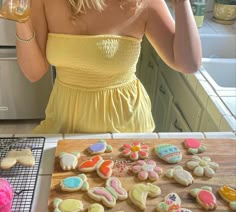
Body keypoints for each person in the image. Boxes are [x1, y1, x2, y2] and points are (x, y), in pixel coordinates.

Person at [15, 0, 202, 134]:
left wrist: (181, 2)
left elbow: (188, 63)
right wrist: (21, 21)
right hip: (63, 125)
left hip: (126, 131)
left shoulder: (143, 3)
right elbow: (34, 73)